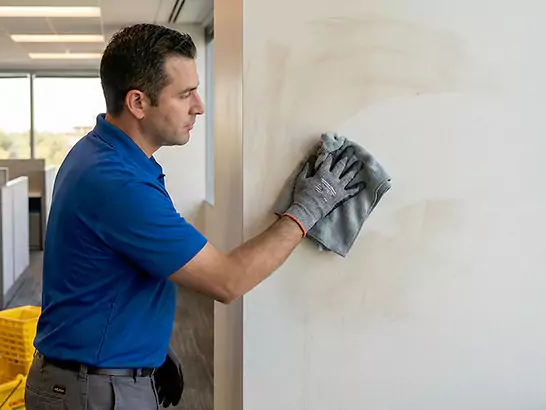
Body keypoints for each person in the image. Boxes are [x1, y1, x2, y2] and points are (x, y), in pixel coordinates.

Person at [25, 23, 364, 410]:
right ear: (138, 102)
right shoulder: (118, 183)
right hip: (94, 391)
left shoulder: (104, 154)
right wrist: (309, 206)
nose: (199, 106)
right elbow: (227, 280)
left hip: (96, 378)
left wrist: (147, 353)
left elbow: (108, 274)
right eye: (185, 94)